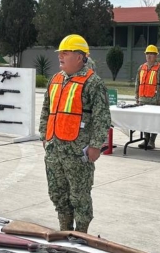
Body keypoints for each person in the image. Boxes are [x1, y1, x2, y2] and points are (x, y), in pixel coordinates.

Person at [40, 34, 111, 233]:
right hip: (55, 149)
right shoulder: (55, 79)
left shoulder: (93, 82)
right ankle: (64, 229)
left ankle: (81, 235)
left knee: (79, 196)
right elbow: (46, 110)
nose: (60, 56)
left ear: (79, 57)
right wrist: (44, 136)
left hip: (78, 153)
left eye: (66, 52)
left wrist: (96, 146)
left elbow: (102, 117)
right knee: (57, 193)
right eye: (60, 53)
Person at [134, 44, 160, 149]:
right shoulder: (141, 67)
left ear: (156, 56)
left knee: (153, 122)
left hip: (154, 100)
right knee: (144, 121)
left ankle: (152, 141)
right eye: (147, 54)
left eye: (152, 54)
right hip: (142, 99)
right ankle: (146, 139)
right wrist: (136, 96)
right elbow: (137, 82)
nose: (149, 56)